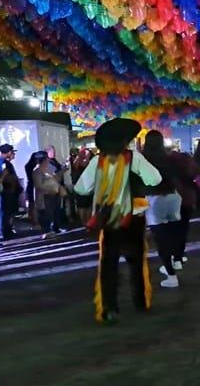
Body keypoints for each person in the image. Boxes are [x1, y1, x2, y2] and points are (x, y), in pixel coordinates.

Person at [74, 118, 161, 324]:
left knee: (108, 265)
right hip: (133, 218)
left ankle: (109, 308)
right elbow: (155, 178)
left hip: (108, 221)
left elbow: (80, 188)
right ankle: (140, 302)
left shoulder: (98, 162)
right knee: (137, 262)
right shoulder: (134, 158)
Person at [142, 130, 184, 288]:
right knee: (172, 234)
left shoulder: (143, 159)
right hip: (173, 197)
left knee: (161, 239)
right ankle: (173, 262)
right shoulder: (169, 158)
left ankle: (171, 275)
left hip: (154, 199)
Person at [32, 152, 62, 239]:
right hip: (44, 196)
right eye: (47, 158)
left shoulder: (48, 168)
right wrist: (49, 187)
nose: (49, 160)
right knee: (46, 215)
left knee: (54, 213)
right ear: (44, 160)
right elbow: (38, 185)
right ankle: (47, 232)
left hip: (52, 195)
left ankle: (54, 230)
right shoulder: (37, 170)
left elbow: (56, 177)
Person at [0, 144, 21, 240]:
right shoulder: (1, 162)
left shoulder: (5, 162)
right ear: (8, 152)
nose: (14, 154)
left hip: (10, 192)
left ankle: (8, 230)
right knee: (5, 212)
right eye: (12, 152)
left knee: (9, 212)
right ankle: (3, 231)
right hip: (6, 192)